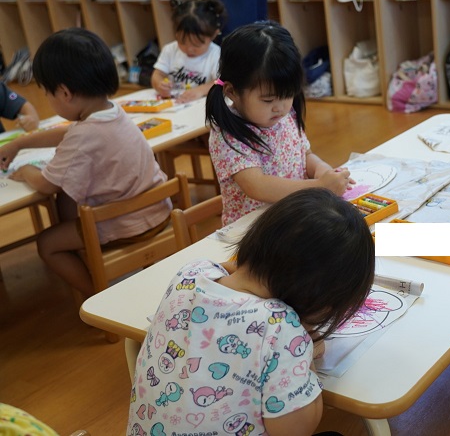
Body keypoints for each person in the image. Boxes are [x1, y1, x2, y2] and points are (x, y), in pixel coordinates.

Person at [127, 187, 374, 436]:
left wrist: (260, 265)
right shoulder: (282, 328)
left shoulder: (190, 273)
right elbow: (295, 431)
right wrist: (304, 347)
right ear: (320, 300)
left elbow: (232, 268)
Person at [0, 28, 171, 299]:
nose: (47, 99)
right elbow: (69, 133)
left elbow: (45, 185)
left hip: (126, 223)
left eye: (46, 93)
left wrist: (26, 171)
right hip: (157, 208)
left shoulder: (84, 134)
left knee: (47, 244)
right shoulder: (111, 111)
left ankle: (101, 298)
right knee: (68, 196)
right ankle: (91, 259)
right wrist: (20, 143)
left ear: (64, 93)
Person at [206, 21, 353, 226]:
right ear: (232, 92)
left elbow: (305, 155)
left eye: (288, 95)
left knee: (362, 230)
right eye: (268, 100)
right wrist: (319, 185)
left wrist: (322, 170)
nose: (281, 107)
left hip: (294, 217)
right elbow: (257, 186)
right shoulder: (228, 133)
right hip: (255, 230)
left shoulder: (285, 114)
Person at [151, 0, 228, 103]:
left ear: (214, 35)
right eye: (182, 42)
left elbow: (221, 82)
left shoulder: (216, 54)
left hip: (201, 105)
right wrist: (159, 84)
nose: (189, 49)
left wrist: (201, 90)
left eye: (196, 45)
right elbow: (158, 74)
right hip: (174, 103)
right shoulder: (170, 50)